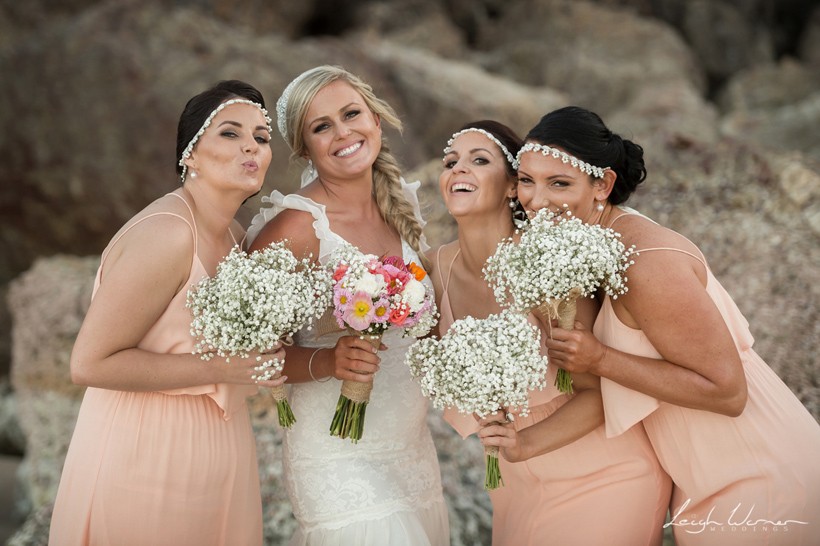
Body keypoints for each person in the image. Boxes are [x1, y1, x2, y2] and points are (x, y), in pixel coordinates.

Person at [516, 105, 820, 546]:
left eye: (558, 183)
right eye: (527, 180)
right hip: (706, 481)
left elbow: (728, 391)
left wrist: (600, 358)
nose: (536, 200)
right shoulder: (594, 242)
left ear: (603, 184)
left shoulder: (645, 263)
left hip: (757, 475)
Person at [48, 80, 286, 546]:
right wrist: (221, 367)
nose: (250, 146)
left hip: (222, 454)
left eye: (261, 136)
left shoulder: (236, 237)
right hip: (146, 456)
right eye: (230, 133)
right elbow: (89, 362)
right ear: (190, 155)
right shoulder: (168, 233)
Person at [431, 120, 671, 546]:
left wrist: (523, 442)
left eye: (478, 160)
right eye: (451, 162)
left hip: (604, 475)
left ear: (513, 187)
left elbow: (602, 392)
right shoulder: (431, 270)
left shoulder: (548, 260)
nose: (458, 170)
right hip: (514, 485)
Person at [247, 65, 449, 546]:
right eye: (322, 126)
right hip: (336, 457)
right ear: (305, 148)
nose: (343, 132)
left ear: (375, 120)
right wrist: (327, 360)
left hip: (412, 450)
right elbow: (252, 356)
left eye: (351, 114)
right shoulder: (295, 228)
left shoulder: (399, 205)